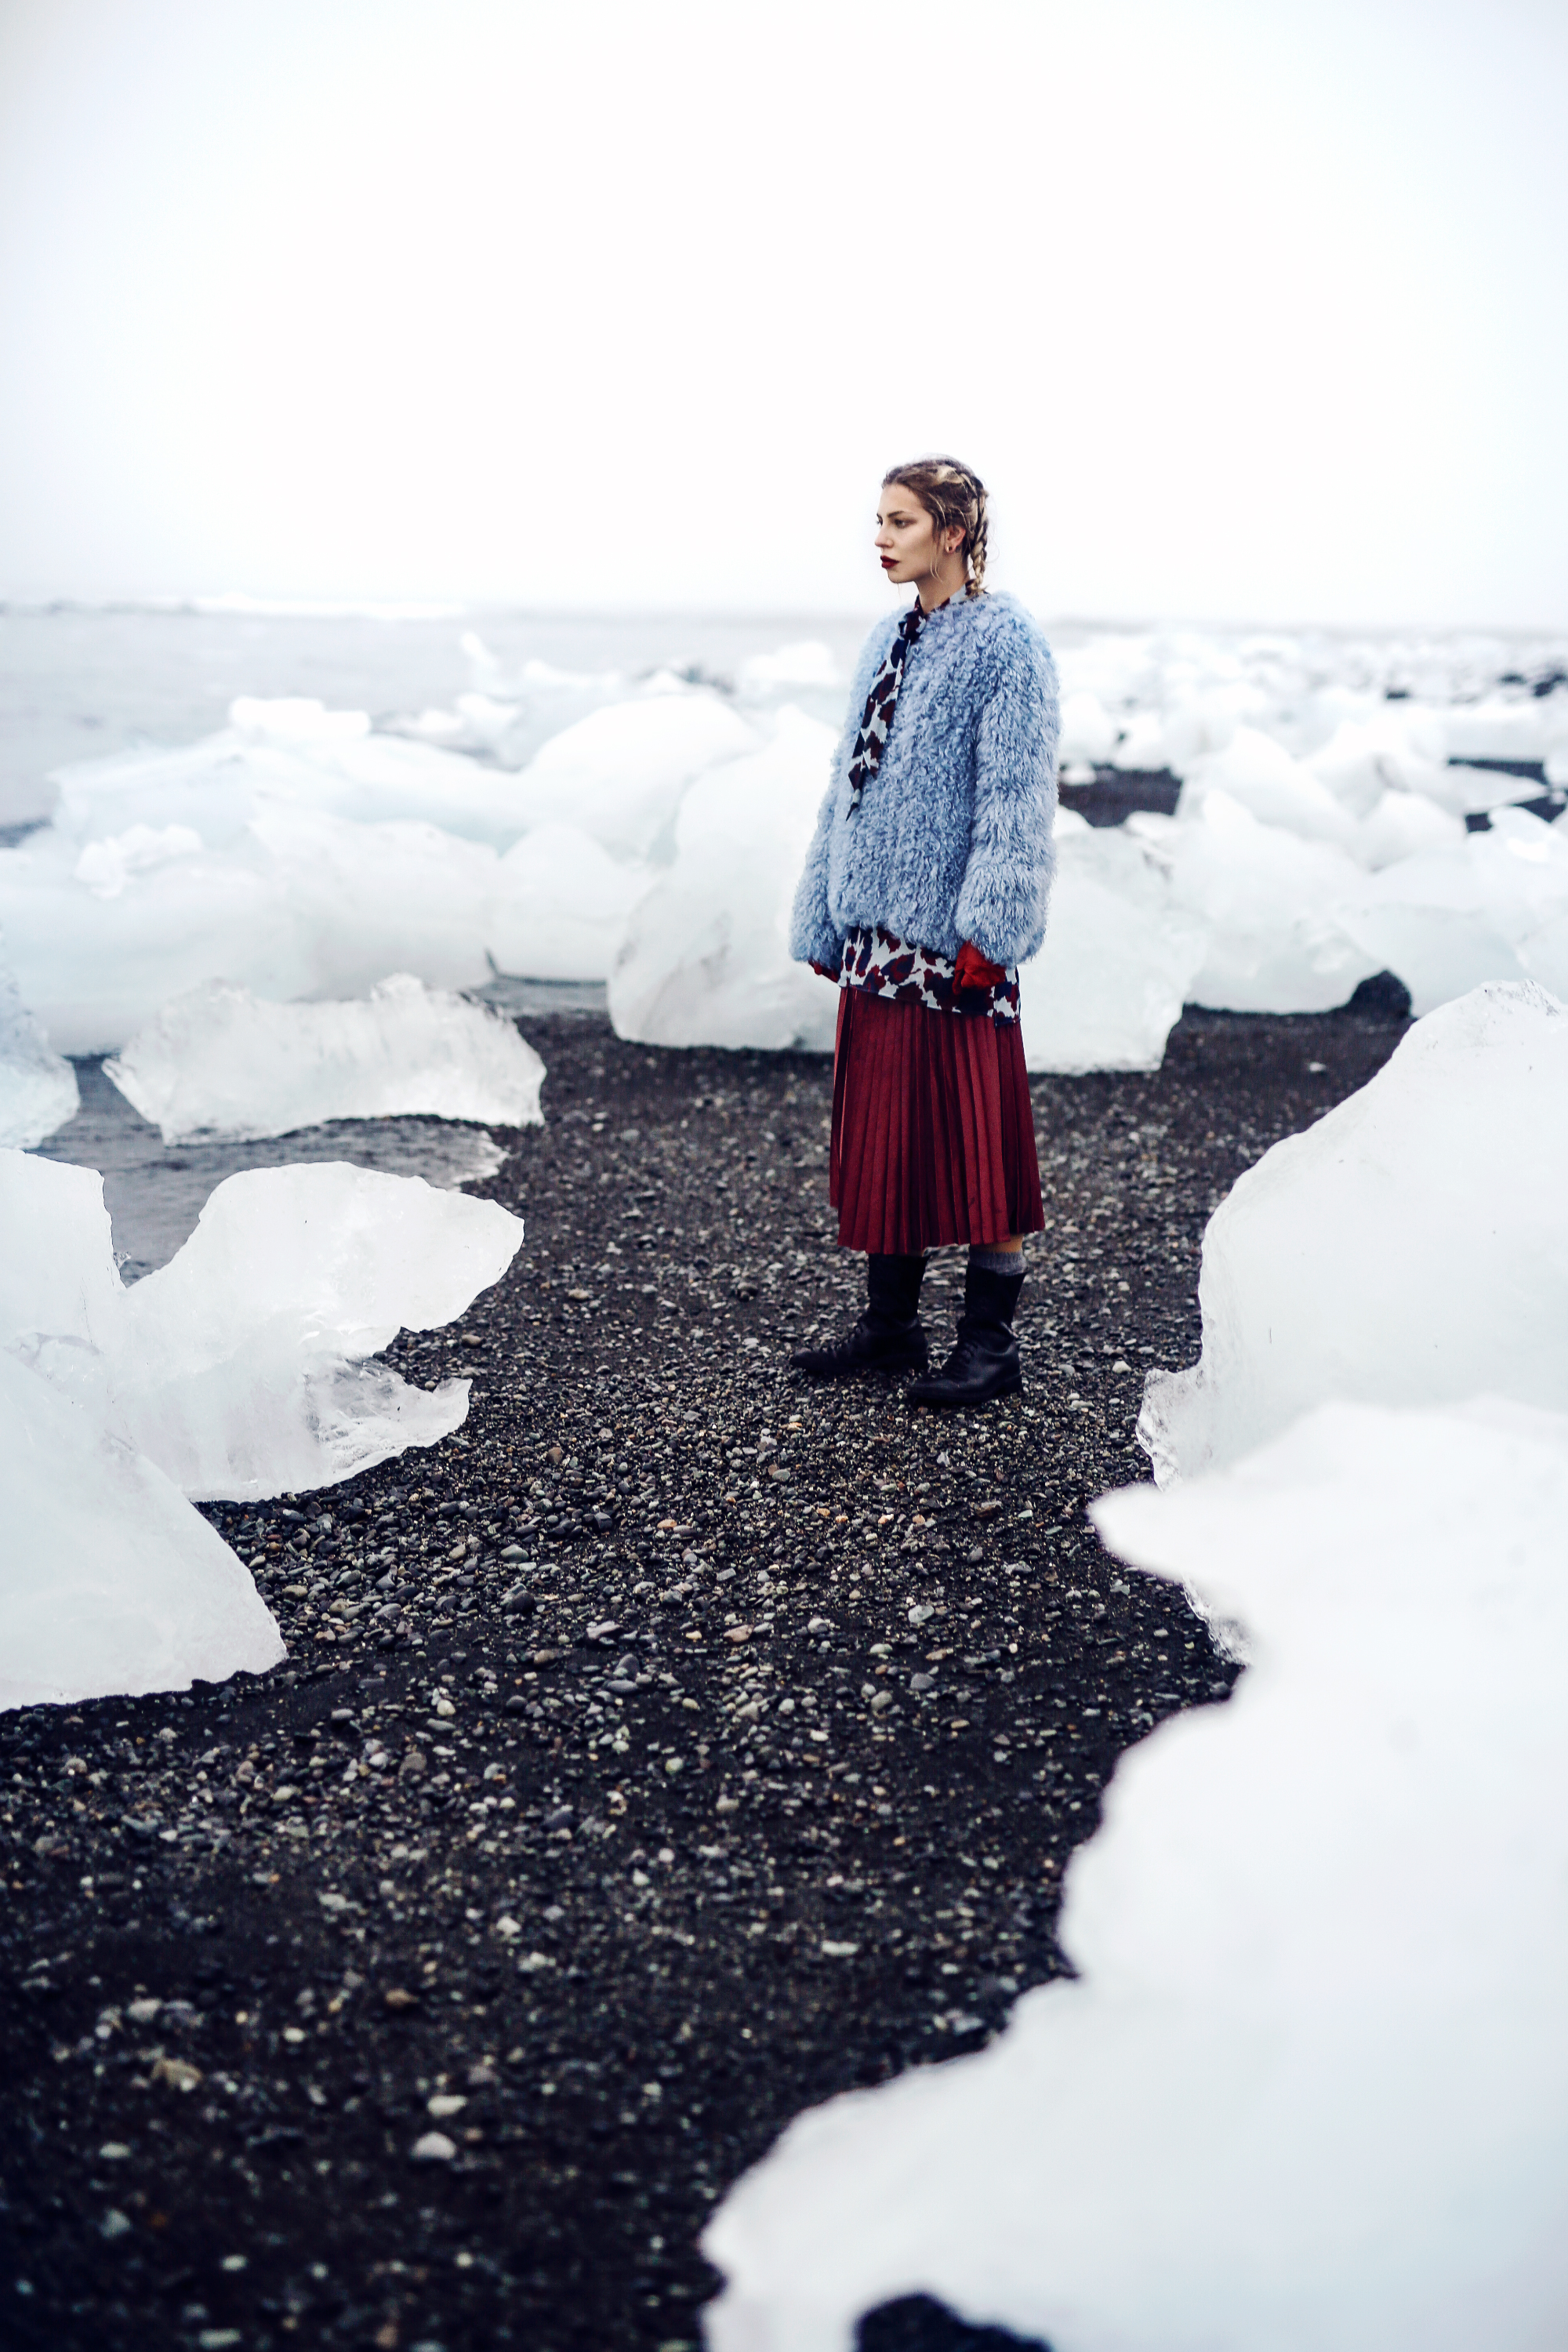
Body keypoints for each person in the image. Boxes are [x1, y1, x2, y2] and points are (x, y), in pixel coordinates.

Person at [787, 456, 1058, 1406]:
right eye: (877, 519)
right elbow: (845, 782)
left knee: (979, 1145)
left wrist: (995, 926)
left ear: (953, 532)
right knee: (884, 1137)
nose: (880, 537)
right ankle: (891, 1328)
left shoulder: (1006, 644)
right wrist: (824, 907)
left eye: (900, 521)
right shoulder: (888, 637)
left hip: (955, 944)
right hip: (875, 934)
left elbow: (1015, 797)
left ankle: (989, 1351)